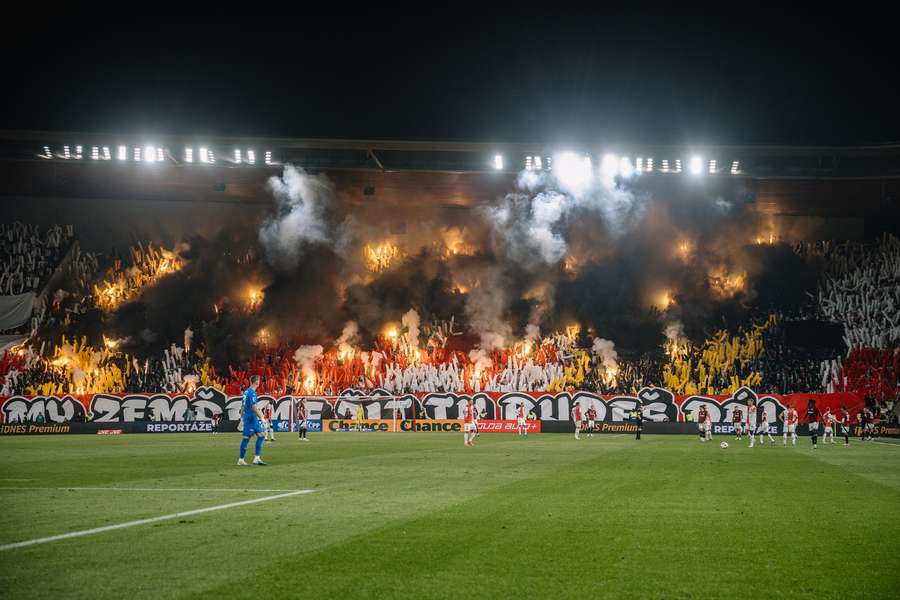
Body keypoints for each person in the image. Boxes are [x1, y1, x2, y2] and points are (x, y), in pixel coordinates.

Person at [237, 375, 267, 466]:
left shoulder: (246, 392)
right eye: (259, 381)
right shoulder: (252, 393)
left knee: (261, 435)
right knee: (246, 438)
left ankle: (257, 458)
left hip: (252, 418)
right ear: (256, 382)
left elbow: (242, 406)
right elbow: (254, 407)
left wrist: (241, 418)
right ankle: (241, 460)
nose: (260, 382)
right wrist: (262, 418)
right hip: (250, 419)